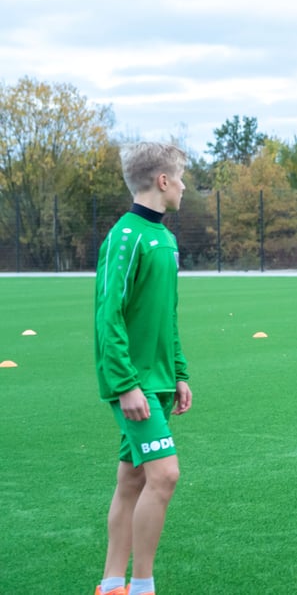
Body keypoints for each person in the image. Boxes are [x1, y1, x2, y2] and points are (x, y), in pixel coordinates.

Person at [94, 142, 192, 595]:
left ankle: (112, 584)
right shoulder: (125, 236)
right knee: (165, 475)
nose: (186, 186)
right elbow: (107, 313)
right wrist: (126, 384)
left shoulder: (166, 239)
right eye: (182, 177)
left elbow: (166, 315)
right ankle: (142, 586)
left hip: (158, 380)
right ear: (163, 181)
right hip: (133, 383)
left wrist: (179, 372)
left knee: (132, 478)